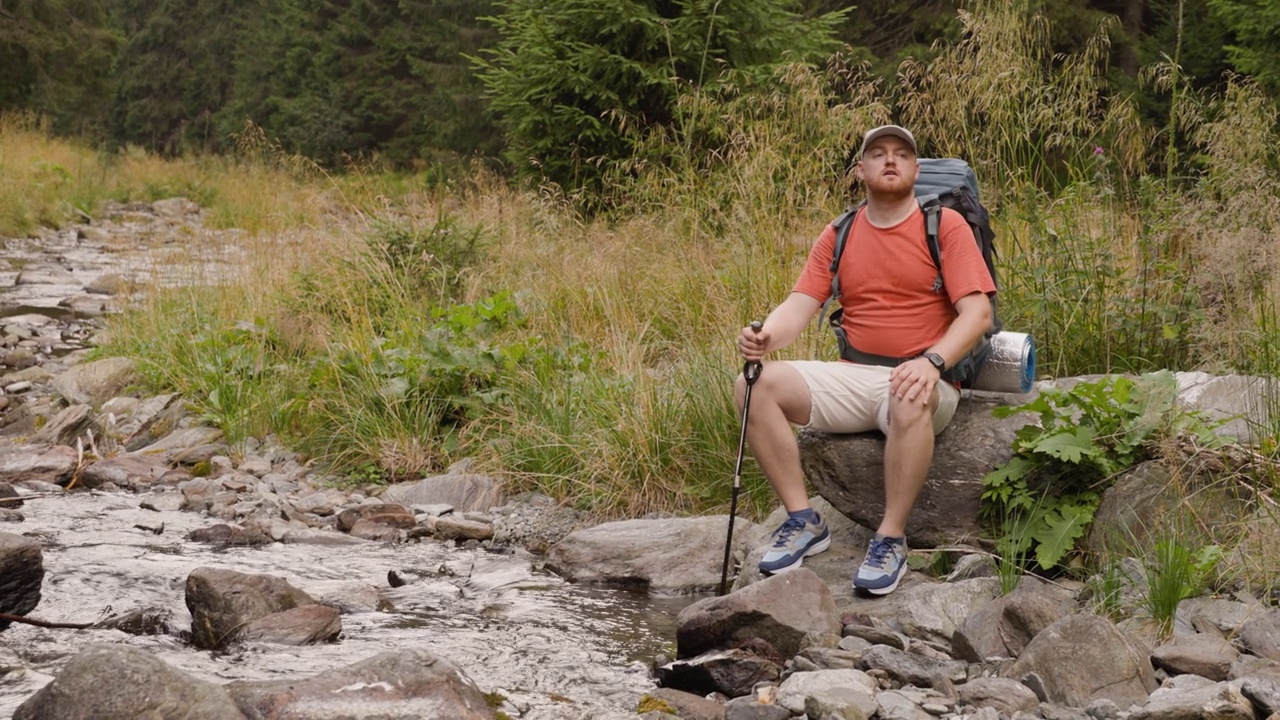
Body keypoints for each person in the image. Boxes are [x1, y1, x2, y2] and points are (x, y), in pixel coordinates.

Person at [734, 124, 995, 596]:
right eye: (877, 153)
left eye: (901, 154)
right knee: (753, 384)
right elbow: (800, 303)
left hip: (925, 379)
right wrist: (765, 337)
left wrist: (932, 362)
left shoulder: (944, 226)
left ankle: (891, 538)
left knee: (908, 394)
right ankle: (803, 520)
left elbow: (977, 313)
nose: (890, 160)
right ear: (861, 170)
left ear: (917, 169)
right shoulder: (840, 232)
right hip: (856, 375)